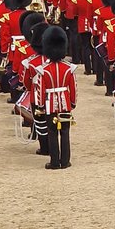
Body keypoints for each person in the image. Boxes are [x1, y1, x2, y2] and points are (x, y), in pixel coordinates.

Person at [35, 25, 77, 170]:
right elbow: (73, 88)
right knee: (65, 132)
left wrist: (40, 105)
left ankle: (54, 161)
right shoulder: (68, 68)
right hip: (65, 102)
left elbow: (40, 89)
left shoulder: (43, 70)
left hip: (49, 104)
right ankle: (65, 161)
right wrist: (73, 103)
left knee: (52, 132)